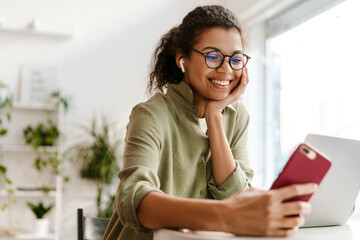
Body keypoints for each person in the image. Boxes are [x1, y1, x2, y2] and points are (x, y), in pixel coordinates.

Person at [103, 5, 317, 240]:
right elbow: (134, 200)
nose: (226, 68)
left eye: (236, 59)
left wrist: (215, 115)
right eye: (213, 56)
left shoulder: (237, 116)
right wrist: (228, 216)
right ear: (182, 59)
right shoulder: (151, 115)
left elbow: (237, 196)